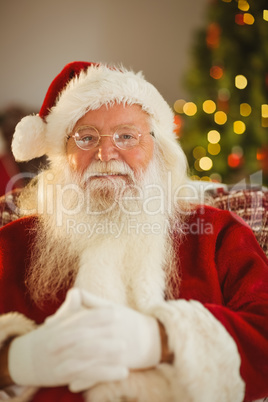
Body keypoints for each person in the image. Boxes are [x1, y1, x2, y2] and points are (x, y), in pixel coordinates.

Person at [0, 61, 267, 402]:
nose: (106, 152)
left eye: (127, 136)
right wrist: (18, 360)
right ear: (61, 156)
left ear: (159, 150)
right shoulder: (10, 245)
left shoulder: (217, 235)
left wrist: (160, 340)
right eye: (85, 138)